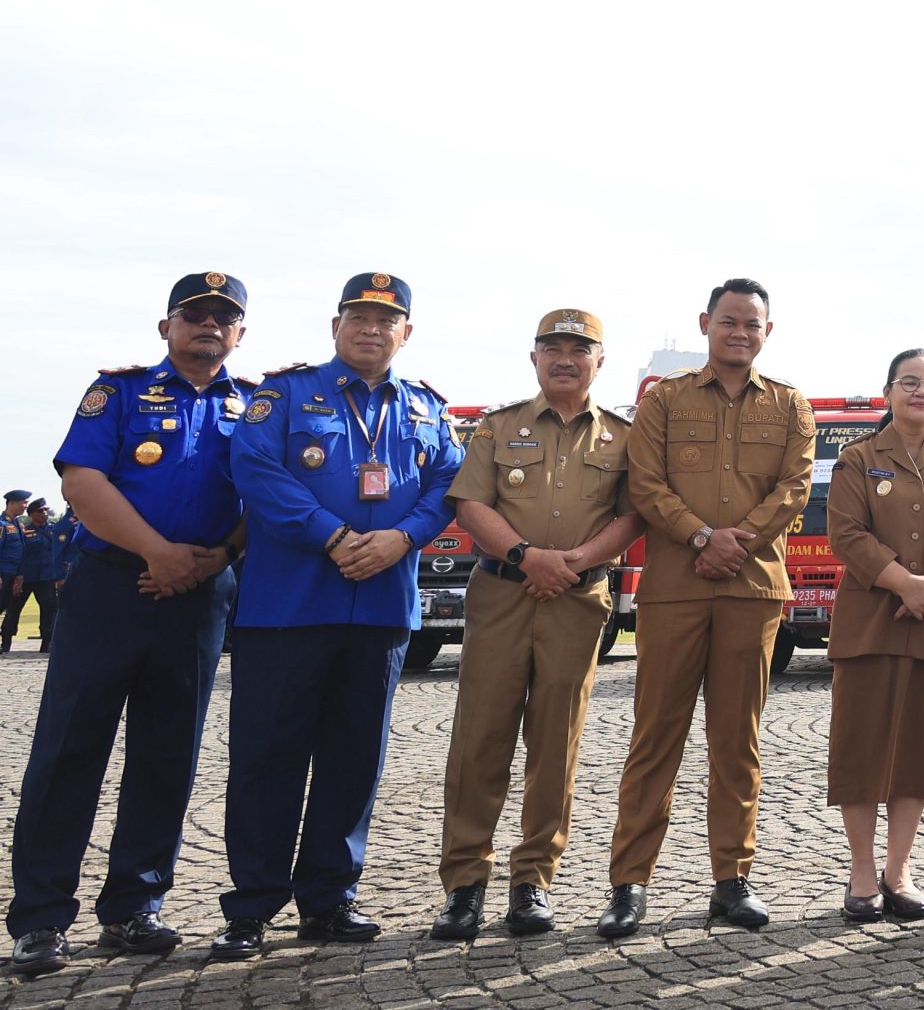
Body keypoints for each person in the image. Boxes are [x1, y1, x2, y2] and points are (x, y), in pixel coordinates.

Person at [7, 273, 250, 978]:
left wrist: (219, 557)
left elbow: (265, 490)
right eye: (194, 314)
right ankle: (42, 917)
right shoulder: (116, 392)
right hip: (113, 586)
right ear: (165, 327)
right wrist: (158, 552)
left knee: (167, 755)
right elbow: (81, 481)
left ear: (241, 333)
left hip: (202, 592)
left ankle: (134, 906)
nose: (209, 324)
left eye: (223, 317)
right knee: (68, 750)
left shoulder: (254, 406)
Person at [214, 272, 461, 962]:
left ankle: (329, 896)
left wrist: (403, 536)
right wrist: (332, 533)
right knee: (268, 759)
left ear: (405, 332)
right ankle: (252, 905)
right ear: (335, 325)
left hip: (381, 609)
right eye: (358, 315)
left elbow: (452, 482)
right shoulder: (285, 395)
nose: (371, 328)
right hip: (288, 608)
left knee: (355, 760)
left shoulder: (424, 408)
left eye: (387, 319)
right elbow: (256, 470)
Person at [598, 278, 816, 939]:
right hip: (675, 587)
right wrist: (700, 536)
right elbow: (646, 483)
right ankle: (629, 883)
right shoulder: (664, 400)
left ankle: (732, 879)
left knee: (737, 739)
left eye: (753, 324)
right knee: (655, 735)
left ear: (767, 332)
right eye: (730, 321)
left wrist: (735, 542)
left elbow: (794, 487)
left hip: (751, 590)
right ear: (705, 323)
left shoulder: (790, 405)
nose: (741, 332)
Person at [430, 309, 645, 941]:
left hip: (577, 602)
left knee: (557, 742)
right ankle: (465, 885)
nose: (564, 358)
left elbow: (633, 515)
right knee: (480, 739)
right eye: (552, 347)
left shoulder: (624, 437)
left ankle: (533, 882)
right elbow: (470, 504)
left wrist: (574, 561)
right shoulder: (497, 427)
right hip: (501, 594)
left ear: (598, 362)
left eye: (580, 349)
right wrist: (528, 557)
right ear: (533, 358)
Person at [826, 349, 924, 924]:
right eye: (909, 382)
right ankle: (862, 870)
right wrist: (905, 584)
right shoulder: (858, 459)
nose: (921, 391)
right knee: (861, 748)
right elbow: (846, 534)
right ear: (889, 391)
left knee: (920, 750)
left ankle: (899, 869)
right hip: (871, 623)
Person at [2, 502, 69, 652]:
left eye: (46, 510)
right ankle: (6, 642)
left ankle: (47, 643)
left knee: (49, 609)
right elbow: (18, 554)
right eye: (40, 511)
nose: (44, 513)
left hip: (46, 577)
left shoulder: (54, 529)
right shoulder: (24, 531)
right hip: (25, 578)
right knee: (13, 610)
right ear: (31, 514)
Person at [0, 491, 28, 652]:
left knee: (7, 607)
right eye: (22, 502)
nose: (25, 506)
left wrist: (19, 575)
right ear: (11, 503)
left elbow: (21, 551)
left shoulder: (17, 524)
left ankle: (6, 644)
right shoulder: (2, 524)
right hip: (3, 573)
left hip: (13, 574)